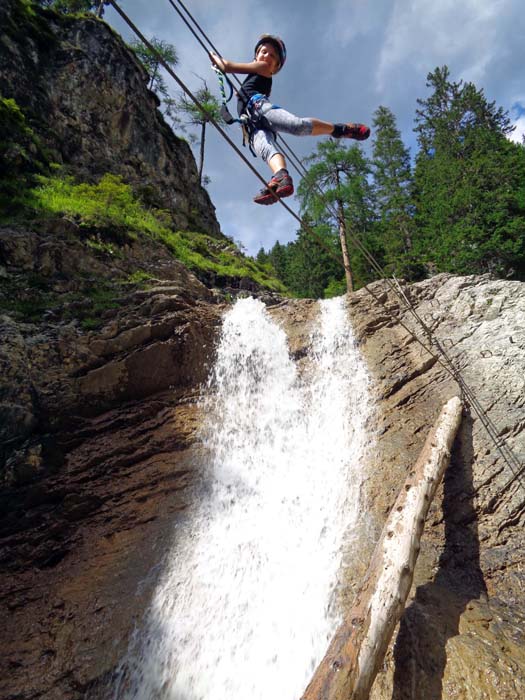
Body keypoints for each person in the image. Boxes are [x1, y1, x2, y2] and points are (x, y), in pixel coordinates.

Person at [210, 35, 370, 205]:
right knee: (265, 149)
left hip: (259, 108)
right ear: (256, 54)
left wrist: (214, 57)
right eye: (264, 52)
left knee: (297, 126)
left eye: (272, 56)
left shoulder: (262, 67)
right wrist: (240, 94)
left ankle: (338, 129)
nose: (267, 57)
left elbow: (226, 66)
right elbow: (249, 88)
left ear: (275, 67)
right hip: (252, 124)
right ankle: (280, 176)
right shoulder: (258, 78)